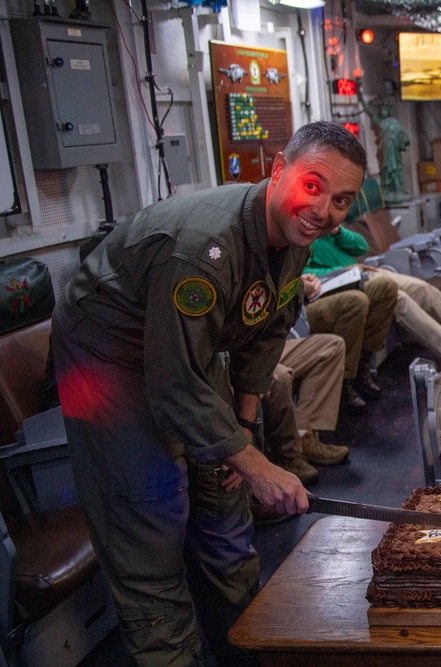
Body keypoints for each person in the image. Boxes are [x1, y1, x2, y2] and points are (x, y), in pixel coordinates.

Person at [49, 121, 366, 665]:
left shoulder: (293, 238)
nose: (323, 210)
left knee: (223, 504)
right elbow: (172, 382)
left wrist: (240, 437)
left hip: (191, 350)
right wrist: (259, 466)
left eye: (341, 200)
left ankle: (245, 650)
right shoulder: (201, 249)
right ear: (277, 170)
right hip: (109, 354)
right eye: (312, 186)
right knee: (152, 516)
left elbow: (264, 333)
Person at [306, 228, 441, 367]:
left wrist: (337, 231)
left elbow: (361, 248)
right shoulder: (303, 239)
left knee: (421, 289)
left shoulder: (327, 228)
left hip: (364, 272)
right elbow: (305, 275)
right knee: (399, 299)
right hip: (342, 282)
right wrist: (342, 270)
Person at [261, 307, 351, 485]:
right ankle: (288, 455)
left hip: (266, 343)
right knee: (281, 376)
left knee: (332, 346)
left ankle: (305, 438)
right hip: (240, 352)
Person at [302, 265, 398, 412]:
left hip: (318, 287)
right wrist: (298, 286)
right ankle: (343, 381)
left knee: (386, 286)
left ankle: (362, 365)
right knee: (356, 301)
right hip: (297, 308)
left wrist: (310, 278)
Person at [359, 84, 410, 203]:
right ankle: (387, 192)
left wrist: (405, 141)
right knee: (386, 172)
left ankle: (399, 191)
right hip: (385, 152)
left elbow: (404, 137)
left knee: (395, 172)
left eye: (385, 109)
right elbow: (369, 112)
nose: (383, 111)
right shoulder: (381, 122)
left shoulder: (395, 124)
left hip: (394, 153)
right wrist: (360, 97)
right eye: (382, 109)